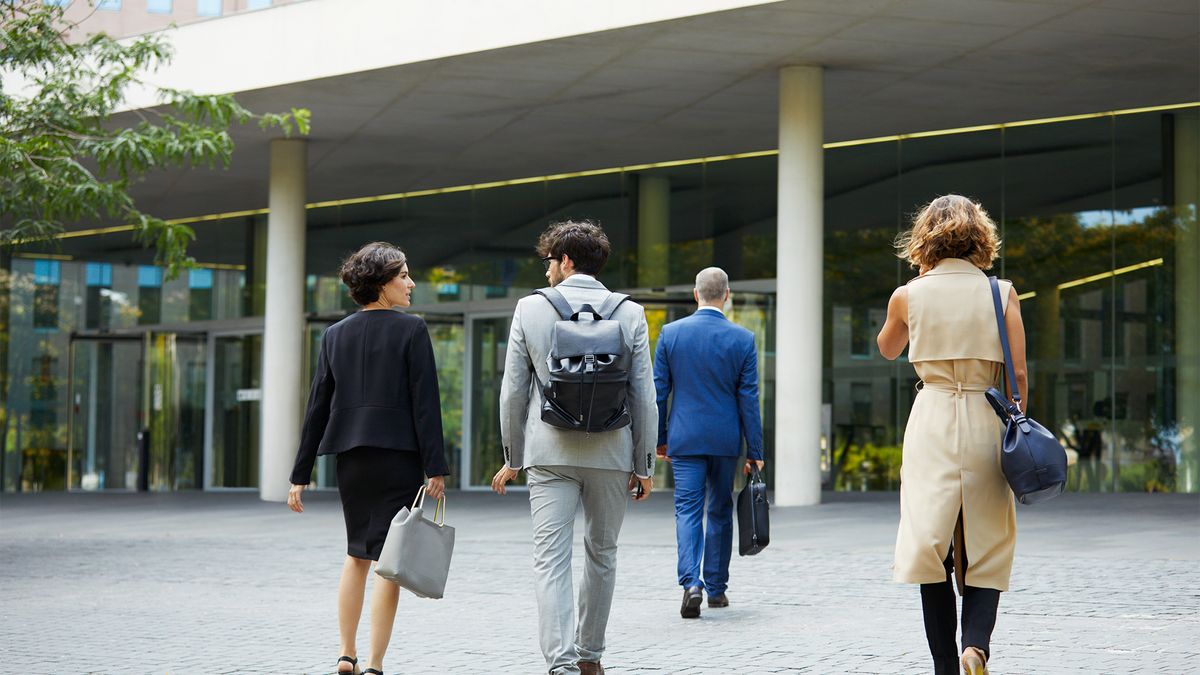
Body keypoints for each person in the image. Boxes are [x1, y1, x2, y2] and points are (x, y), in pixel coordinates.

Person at [491, 220, 657, 675]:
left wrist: (513, 459)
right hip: (611, 452)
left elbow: (512, 393)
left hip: (549, 455)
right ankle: (590, 657)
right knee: (602, 555)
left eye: (549, 261)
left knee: (551, 560)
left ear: (566, 261)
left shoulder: (529, 309)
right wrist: (643, 465)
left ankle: (560, 663)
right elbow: (644, 395)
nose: (546, 271)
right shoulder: (631, 312)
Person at [877, 195, 1027, 675]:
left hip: (934, 417)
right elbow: (1019, 375)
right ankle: (975, 646)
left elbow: (887, 348)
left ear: (925, 239)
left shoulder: (909, 294)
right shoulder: (1000, 292)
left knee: (931, 543)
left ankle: (946, 665)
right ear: (980, 239)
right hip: (986, 414)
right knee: (988, 538)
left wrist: (914, 295)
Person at [287, 242, 450, 675]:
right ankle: (375, 664)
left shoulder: (334, 334)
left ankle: (346, 653)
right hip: (398, 456)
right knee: (388, 561)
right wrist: (436, 467)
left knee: (356, 554)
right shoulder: (411, 330)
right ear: (381, 284)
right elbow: (425, 404)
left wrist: (299, 474)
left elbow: (317, 406)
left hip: (352, 460)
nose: (411, 283)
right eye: (403, 276)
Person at [652, 266, 764, 619]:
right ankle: (716, 589)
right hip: (725, 441)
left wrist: (660, 439)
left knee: (687, 510)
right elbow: (749, 399)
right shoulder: (743, 339)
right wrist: (755, 451)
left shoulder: (671, 334)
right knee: (719, 511)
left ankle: (691, 583)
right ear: (727, 295)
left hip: (684, 439)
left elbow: (658, 392)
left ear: (695, 293)